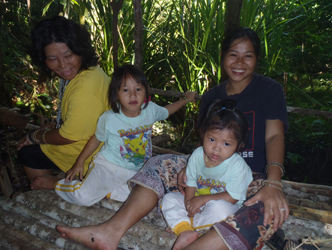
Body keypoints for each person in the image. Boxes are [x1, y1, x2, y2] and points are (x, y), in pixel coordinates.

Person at [56, 27, 289, 250]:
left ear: (257, 59)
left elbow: (275, 135)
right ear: (222, 56)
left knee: (264, 212)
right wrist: (190, 168)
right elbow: (204, 142)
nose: (239, 63)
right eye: (233, 54)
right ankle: (110, 232)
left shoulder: (269, 89)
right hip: (209, 169)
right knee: (159, 163)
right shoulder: (211, 96)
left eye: (248, 56)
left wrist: (274, 182)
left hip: (252, 177)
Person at [54, 64, 197, 206]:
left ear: (146, 91)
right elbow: (96, 139)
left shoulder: (151, 110)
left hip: (136, 171)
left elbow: (167, 111)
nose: (133, 95)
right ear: (116, 94)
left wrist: (186, 99)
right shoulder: (110, 118)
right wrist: (80, 161)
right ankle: (58, 185)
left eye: (138, 89)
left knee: (148, 197)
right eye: (126, 90)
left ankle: (106, 191)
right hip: (109, 167)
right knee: (83, 198)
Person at [17, 16, 110, 190]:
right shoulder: (86, 71)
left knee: (27, 153)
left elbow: (68, 136)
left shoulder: (83, 88)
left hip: (93, 155)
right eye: (53, 59)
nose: (62, 65)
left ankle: (62, 187)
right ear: (43, 59)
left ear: (80, 50)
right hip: (94, 143)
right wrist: (54, 127)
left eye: (68, 55)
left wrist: (35, 136)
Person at [162, 99, 253, 250]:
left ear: (239, 145)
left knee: (222, 210)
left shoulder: (238, 167)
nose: (216, 148)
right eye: (211, 139)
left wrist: (203, 199)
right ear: (202, 134)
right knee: (169, 199)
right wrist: (189, 204)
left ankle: (185, 226)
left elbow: (233, 197)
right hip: (198, 206)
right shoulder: (198, 155)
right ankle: (187, 231)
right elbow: (190, 181)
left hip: (221, 207)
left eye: (226, 144)